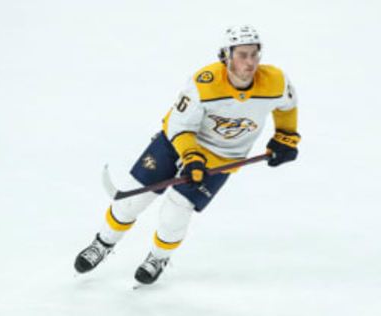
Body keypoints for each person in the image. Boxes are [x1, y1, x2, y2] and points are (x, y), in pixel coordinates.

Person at [74, 24, 301, 285]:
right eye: (242, 55)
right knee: (131, 201)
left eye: (254, 54)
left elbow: (287, 105)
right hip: (176, 144)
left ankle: (158, 257)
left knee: (176, 213)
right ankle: (102, 243)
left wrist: (286, 135)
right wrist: (192, 157)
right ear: (226, 55)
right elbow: (180, 126)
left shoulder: (275, 80)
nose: (250, 62)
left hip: (222, 158)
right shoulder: (203, 83)